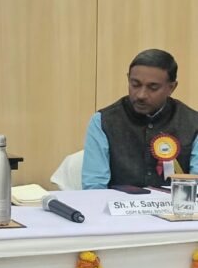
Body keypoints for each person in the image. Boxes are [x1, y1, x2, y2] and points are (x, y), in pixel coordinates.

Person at [82, 49, 198, 189]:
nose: (141, 95)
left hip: (175, 203)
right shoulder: (102, 121)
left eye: (153, 87)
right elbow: (94, 187)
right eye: (135, 85)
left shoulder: (193, 123)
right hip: (115, 202)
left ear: (171, 88)